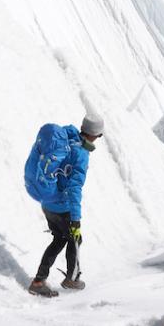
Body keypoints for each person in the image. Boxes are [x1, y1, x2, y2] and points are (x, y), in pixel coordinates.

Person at [28, 115, 104, 298]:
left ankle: (39, 281)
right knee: (75, 239)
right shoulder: (81, 154)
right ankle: (70, 279)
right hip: (62, 207)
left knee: (60, 239)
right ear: (94, 135)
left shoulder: (65, 140)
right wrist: (75, 219)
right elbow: (74, 188)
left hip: (47, 201)